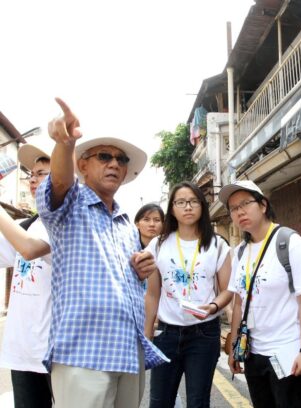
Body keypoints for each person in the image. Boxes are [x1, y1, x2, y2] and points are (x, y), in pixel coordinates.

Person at [37, 97, 167, 407]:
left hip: (128, 351)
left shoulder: (126, 224)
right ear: (82, 165)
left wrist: (138, 270)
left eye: (121, 160)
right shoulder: (71, 205)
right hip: (84, 352)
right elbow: (59, 182)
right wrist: (65, 145)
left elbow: (126, 283)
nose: (114, 164)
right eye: (104, 156)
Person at [221, 180, 301, 408]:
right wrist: (235, 347)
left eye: (245, 203)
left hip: (288, 351)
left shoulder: (290, 243)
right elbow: (238, 303)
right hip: (254, 353)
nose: (239, 212)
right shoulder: (240, 252)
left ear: (263, 205)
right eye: (233, 208)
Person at [144, 181, 232, 408]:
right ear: (172, 208)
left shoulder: (217, 244)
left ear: (202, 206)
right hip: (166, 334)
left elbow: (228, 290)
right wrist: (146, 338)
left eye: (193, 201)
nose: (188, 207)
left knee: (198, 401)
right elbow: (152, 294)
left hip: (204, 334)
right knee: (159, 401)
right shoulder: (159, 244)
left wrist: (213, 306)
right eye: (181, 202)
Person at [0, 141, 53, 408]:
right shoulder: (24, 225)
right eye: (31, 174)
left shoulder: (68, 223)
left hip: (58, 351)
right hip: (22, 349)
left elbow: (31, 249)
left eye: (42, 173)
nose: (33, 180)